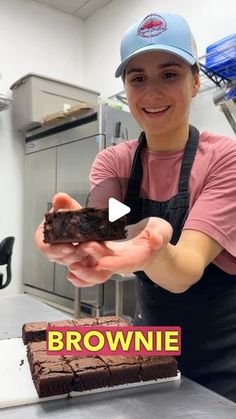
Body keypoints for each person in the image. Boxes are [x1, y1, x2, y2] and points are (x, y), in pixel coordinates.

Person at [35, 12, 236, 402]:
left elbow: (184, 271)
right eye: (138, 78)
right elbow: (103, 226)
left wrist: (151, 245)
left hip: (222, 361)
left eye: (170, 74)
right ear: (126, 88)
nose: (152, 92)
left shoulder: (224, 158)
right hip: (152, 347)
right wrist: (69, 235)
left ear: (195, 81)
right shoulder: (115, 162)